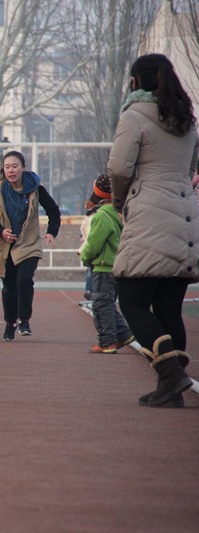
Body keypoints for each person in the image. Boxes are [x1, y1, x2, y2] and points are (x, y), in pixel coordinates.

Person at [107, 53, 199, 407]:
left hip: (148, 214)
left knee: (131, 301)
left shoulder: (134, 116)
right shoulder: (186, 121)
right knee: (169, 308)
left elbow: (119, 168)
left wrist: (120, 202)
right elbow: (190, 169)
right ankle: (171, 390)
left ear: (135, 82)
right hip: (185, 215)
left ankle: (171, 375)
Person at [0, 150, 61, 341]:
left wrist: (51, 232)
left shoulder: (36, 189)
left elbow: (53, 211)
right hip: (6, 246)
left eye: (15, 166)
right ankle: (10, 322)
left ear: (23, 168)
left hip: (29, 244)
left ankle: (24, 320)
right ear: (3, 170)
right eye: (7, 167)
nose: (11, 170)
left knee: (24, 280)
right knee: (9, 288)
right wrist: (2, 232)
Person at [79, 174, 135, 354]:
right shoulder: (122, 213)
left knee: (100, 305)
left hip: (103, 268)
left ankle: (107, 342)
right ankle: (124, 334)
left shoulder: (101, 216)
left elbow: (93, 245)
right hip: (118, 266)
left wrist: (85, 257)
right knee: (107, 304)